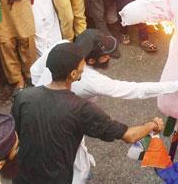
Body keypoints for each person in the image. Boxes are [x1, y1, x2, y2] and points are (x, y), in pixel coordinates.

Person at [29, 29, 178, 181]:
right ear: (85, 65)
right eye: (106, 56)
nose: (108, 58)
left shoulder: (61, 47)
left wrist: (45, 95)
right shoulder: (90, 83)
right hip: (65, 124)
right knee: (74, 166)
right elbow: (136, 94)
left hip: (40, 109)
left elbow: (34, 72)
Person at [12, 40, 165, 183]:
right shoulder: (81, 109)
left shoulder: (23, 97)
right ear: (73, 75)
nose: (84, 70)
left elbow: (17, 137)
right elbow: (129, 136)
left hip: (23, 177)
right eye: (82, 68)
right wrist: (152, 124)